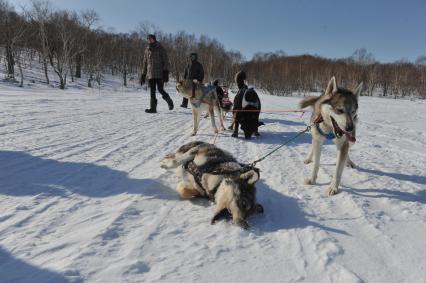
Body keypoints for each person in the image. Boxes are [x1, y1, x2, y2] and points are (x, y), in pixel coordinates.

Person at [141, 34, 174, 113]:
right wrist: (143, 74)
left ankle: (169, 101)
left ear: (154, 39)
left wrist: (166, 72)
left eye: (151, 39)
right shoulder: (147, 50)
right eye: (148, 39)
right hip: (150, 74)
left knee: (160, 89)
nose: (149, 40)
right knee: (152, 91)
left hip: (159, 73)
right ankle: (153, 108)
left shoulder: (160, 48)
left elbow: (166, 60)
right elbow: (145, 63)